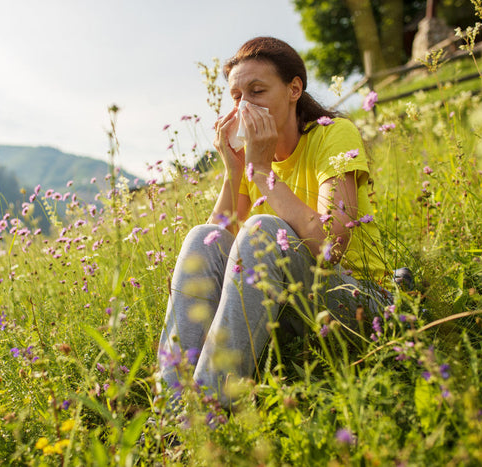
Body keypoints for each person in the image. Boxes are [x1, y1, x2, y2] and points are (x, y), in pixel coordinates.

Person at [157, 37, 389, 409]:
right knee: (203, 236)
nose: (245, 105)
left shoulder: (333, 134)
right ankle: (171, 414)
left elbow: (330, 247)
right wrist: (235, 171)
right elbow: (212, 256)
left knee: (264, 230)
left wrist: (261, 170)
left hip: (357, 305)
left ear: (294, 89)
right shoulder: (253, 159)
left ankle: (205, 413)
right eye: (236, 97)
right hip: (292, 310)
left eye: (257, 90)